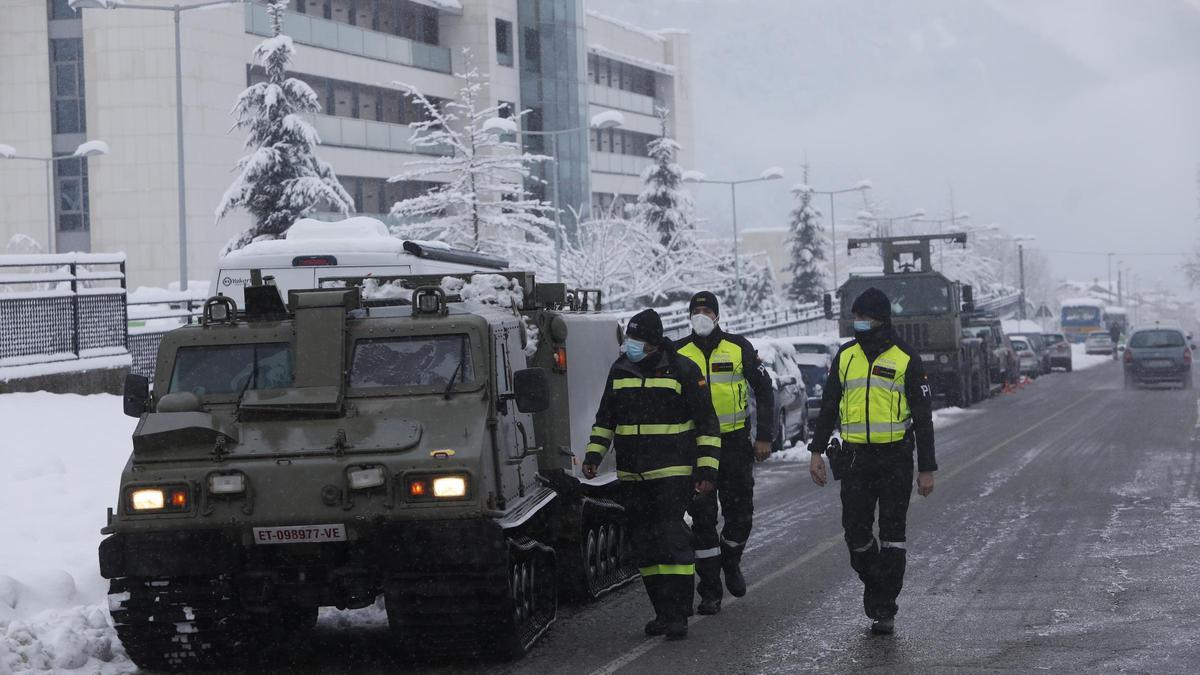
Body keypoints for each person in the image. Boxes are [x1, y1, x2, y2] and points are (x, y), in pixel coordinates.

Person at [582, 308, 722, 640]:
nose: (631, 345)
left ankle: (678, 615)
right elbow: (606, 420)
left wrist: (706, 470)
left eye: (638, 340)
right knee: (645, 547)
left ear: (655, 343)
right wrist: (593, 455)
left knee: (671, 541)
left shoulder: (683, 370)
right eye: (630, 338)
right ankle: (662, 612)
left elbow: (707, 425)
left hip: (672, 473)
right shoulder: (620, 370)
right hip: (632, 476)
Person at [807, 287, 937, 635]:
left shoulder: (906, 358)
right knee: (856, 534)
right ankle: (876, 581)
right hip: (854, 459)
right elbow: (829, 407)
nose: (858, 323)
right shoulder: (845, 357)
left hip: (895, 458)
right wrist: (816, 451)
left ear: (880, 320)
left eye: (864, 317)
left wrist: (927, 468)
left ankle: (884, 609)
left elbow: (923, 419)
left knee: (893, 535)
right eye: (856, 317)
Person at [675, 291, 775, 615]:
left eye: (706, 310)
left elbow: (765, 390)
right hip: (697, 447)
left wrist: (764, 437)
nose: (701, 315)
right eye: (696, 310)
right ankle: (710, 592)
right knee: (702, 519)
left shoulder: (738, 347)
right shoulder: (678, 353)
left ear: (717, 315)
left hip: (734, 444)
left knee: (740, 513)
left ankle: (731, 560)